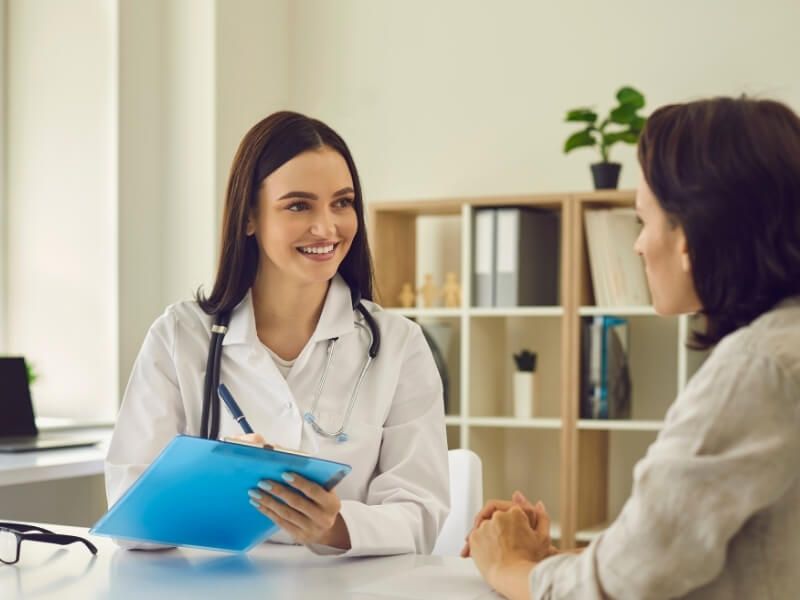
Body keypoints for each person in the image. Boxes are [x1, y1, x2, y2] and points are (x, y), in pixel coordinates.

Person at [465, 96, 800, 598]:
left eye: (643, 221)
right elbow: (670, 558)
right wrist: (549, 560)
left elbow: (615, 591)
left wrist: (508, 565)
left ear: (690, 236)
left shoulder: (755, 370)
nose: (638, 245)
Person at [106, 111, 449, 556]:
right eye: (298, 205)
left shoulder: (399, 345)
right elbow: (129, 525)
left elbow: (422, 513)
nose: (327, 227)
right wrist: (213, 478)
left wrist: (334, 525)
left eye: (342, 203)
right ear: (249, 217)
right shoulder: (180, 336)